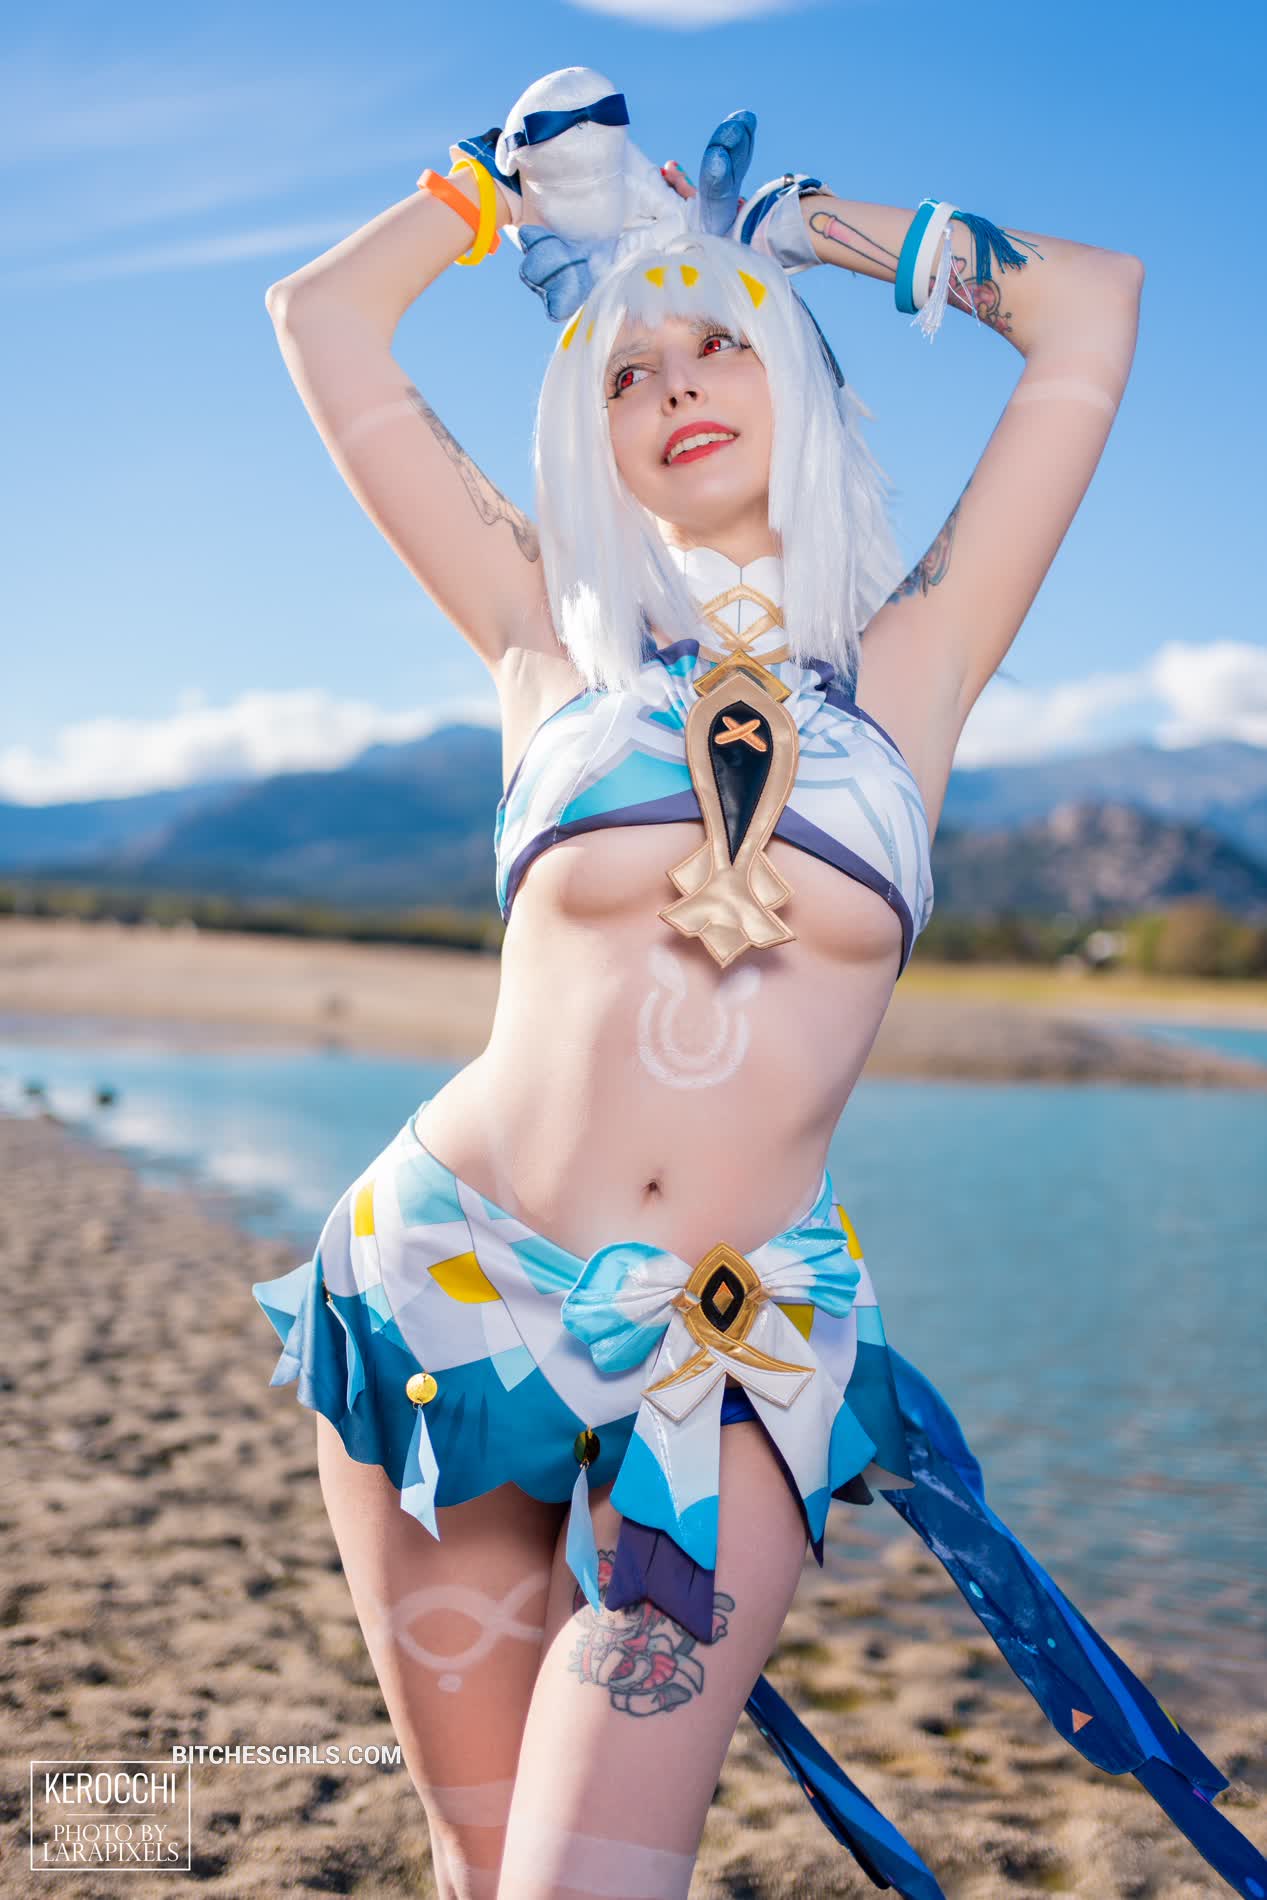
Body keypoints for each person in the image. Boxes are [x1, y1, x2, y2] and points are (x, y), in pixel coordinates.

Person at [252, 68, 1265, 1900]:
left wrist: (793, 228)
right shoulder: (543, 642)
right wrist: (502, 190)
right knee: (476, 1864)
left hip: (733, 1347)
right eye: (627, 374)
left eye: (720, 345)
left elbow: (1088, 307)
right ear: (596, 435)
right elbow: (325, 322)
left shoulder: (913, 672)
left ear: (796, 375)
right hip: (446, 1284)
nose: (675, 389)